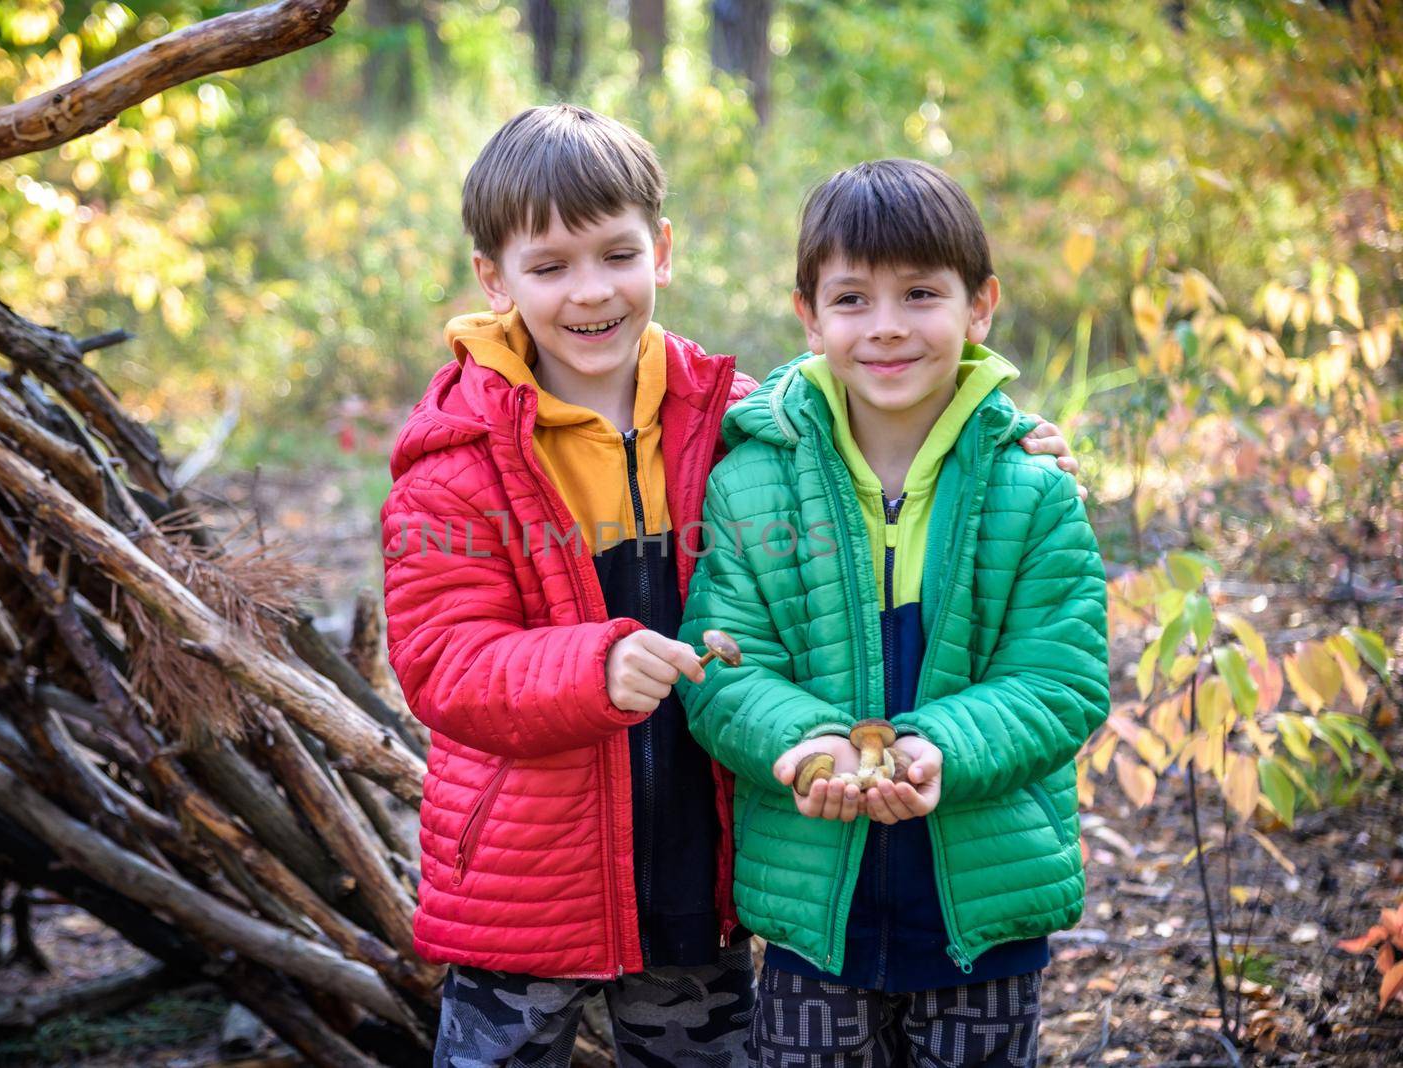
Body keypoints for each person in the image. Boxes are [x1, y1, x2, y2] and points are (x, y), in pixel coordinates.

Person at [381, 109, 1082, 1066]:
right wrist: (591, 665)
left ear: (661, 252)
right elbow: (441, 659)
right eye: (549, 267)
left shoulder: (732, 422)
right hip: (527, 873)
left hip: (693, 868)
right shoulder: (459, 458)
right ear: (493, 279)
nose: (590, 291)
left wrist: (1003, 437)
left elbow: (868, 397)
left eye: (617, 255)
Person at [677, 158, 1110, 1068]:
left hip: (983, 912)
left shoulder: (1031, 492)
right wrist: (807, 743)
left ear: (979, 305)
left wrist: (937, 746)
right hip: (809, 911)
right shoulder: (753, 481)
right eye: (851, 299)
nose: (886, 328)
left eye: (920, 294)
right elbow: (725, 664)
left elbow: (1060, 680)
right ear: (808, 314)